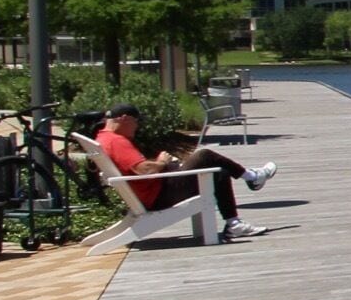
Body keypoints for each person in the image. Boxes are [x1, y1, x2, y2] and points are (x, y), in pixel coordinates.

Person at [94, 103, 278, 241]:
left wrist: (167, 165)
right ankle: (252, 177)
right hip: (159, 196)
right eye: (136, 121)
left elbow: (135, 169)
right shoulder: (117, 141)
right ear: (123, 118)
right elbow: (144, 170)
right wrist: (161, 162)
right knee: (204, 156)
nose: (137, 126)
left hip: (152, 192)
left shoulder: (103, 138)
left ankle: (234, 224)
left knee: (219, 172)